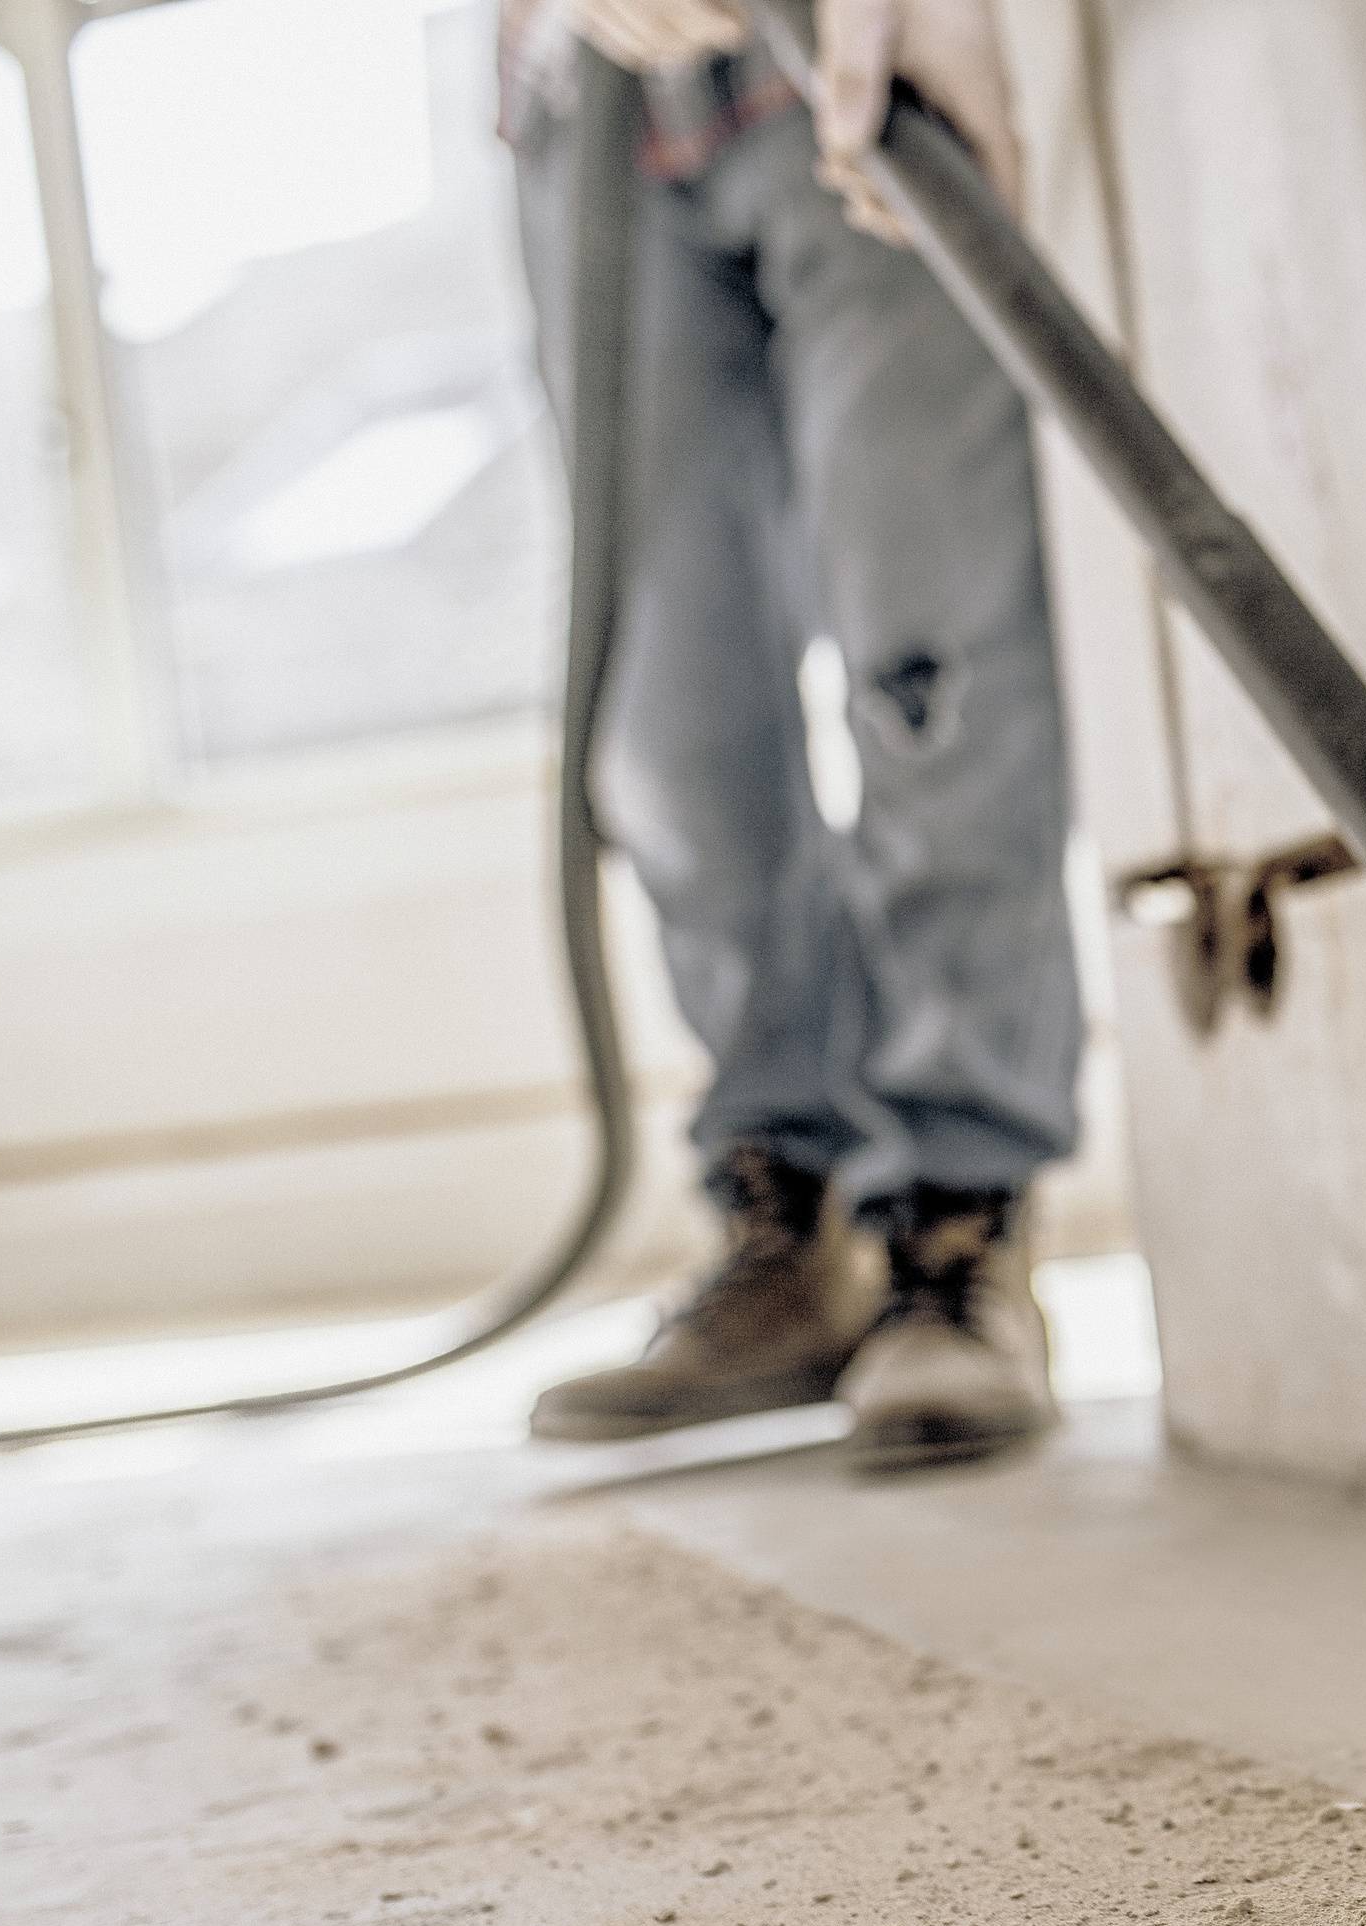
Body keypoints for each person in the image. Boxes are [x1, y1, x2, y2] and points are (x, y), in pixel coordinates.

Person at [502, 0, 1078, 1467]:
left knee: (931, 657)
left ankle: (959, 1217)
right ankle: (787, 1218)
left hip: (861, 44)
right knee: (673, 718)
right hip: (586, 89)